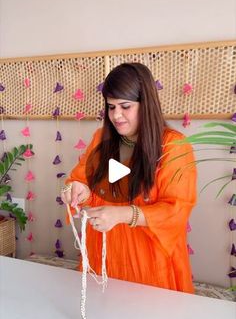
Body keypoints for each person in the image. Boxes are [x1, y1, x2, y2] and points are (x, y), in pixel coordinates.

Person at [61, 63, 197, 293]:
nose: (116, 115)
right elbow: (81, 178)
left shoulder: (174, 147)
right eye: (111, 107)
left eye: (125, 106)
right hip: (103, 259)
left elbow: (176, 210)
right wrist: (77, 189)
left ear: (146, 104)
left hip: (149, 266)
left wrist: (123, 214)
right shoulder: (101, 139)